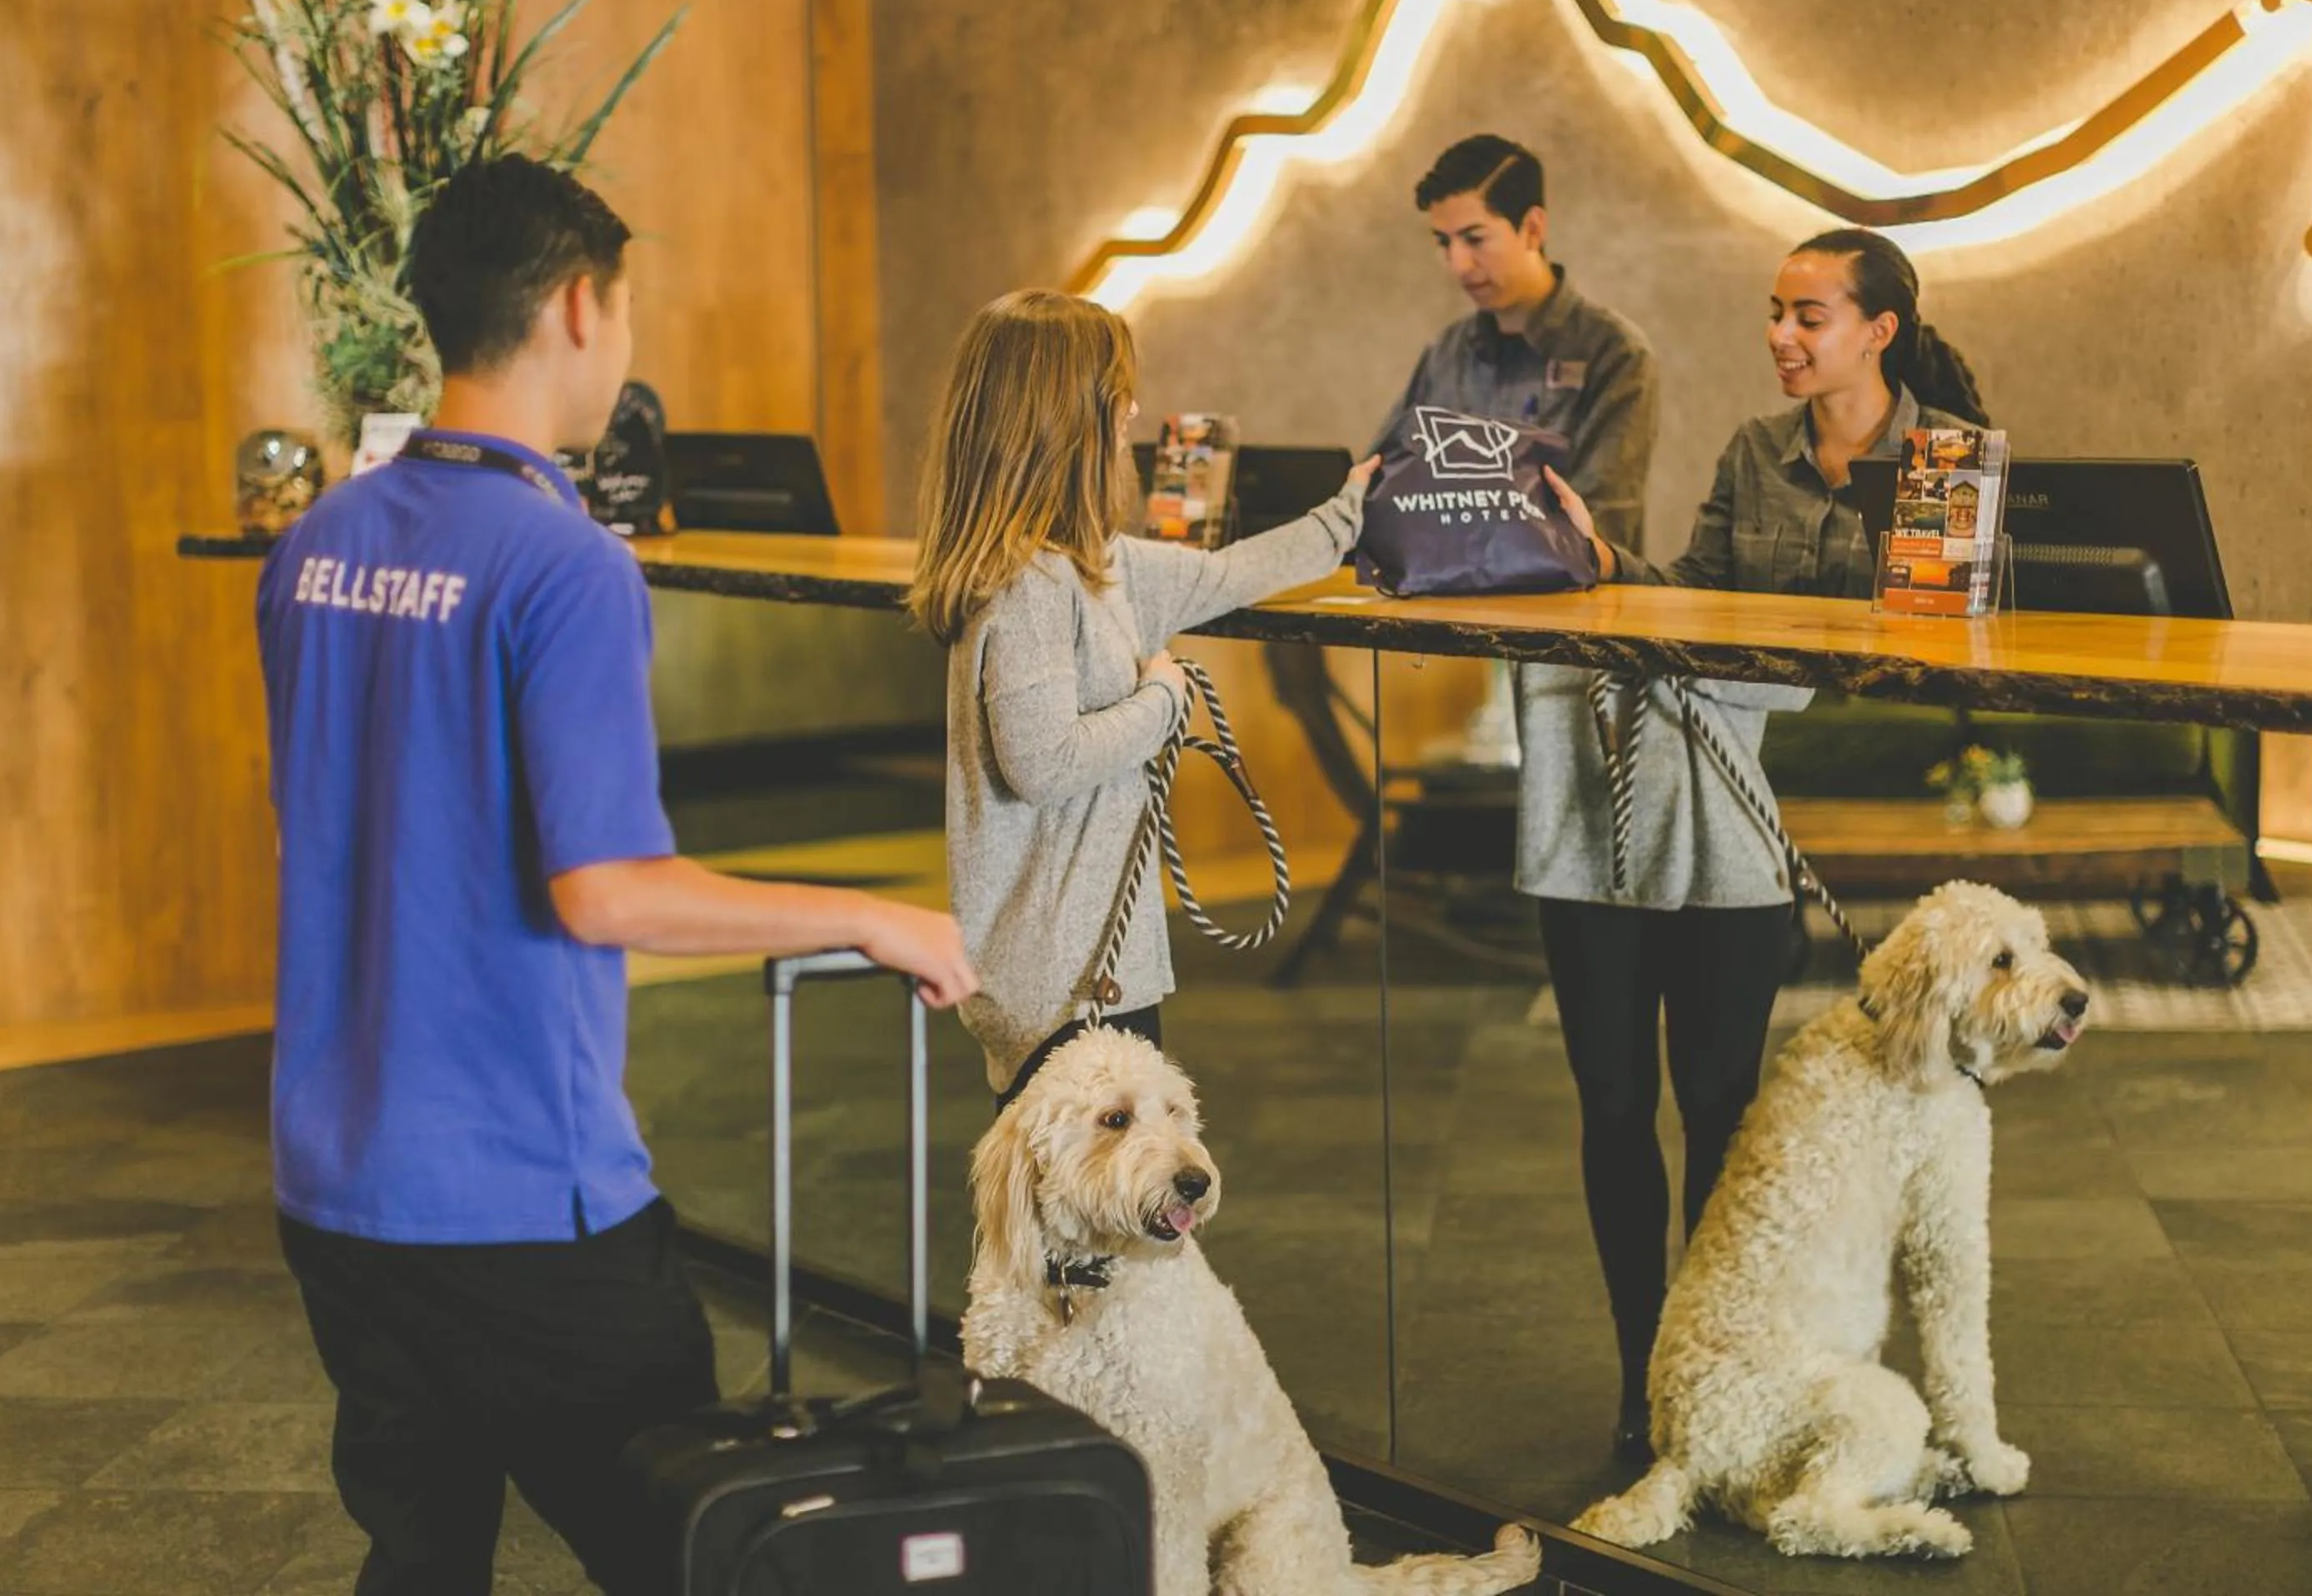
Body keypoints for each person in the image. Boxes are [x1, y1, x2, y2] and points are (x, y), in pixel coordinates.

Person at [254, 155, 976, 1596]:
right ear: (581, 305)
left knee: (423, 1550)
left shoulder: (317, 542)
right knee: (700, 1556)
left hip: (335, 1182)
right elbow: (606, 891)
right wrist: (873, 914)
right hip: (522, 1193)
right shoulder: (566, 564)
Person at [1530, 227, 1991, 1459]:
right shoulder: (1752, 451)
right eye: (1773, 314)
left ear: (1879, 330)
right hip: (1706, 796)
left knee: (1724, 1116)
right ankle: (1650, 1378)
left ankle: (1721, 1356)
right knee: (1621, 1107)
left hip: (1773, 821)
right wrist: (1599, 556)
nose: (1781, 337)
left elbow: (1938, 647)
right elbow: (1694, 596)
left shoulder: (1946, 464)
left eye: (1809, 316)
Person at [908, 289, 1375, 1104]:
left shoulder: (1101, 565)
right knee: (1094, 1220)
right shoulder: (1030, 584)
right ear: (1067, 421)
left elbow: (1230, 573)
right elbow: (1044, 762)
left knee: (1100, 1216)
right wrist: (1167, 698)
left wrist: (1351, 513)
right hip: (1064, 979)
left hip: (1095, 964)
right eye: (1115, 394)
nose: (1133, 408)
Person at [1370, 132, 1657, 550]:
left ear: (1532, 228)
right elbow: (1382, 483)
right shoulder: (1447, 353)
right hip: (1443, 602)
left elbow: (1602, 524)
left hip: (1564, 609)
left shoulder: (1614, 353)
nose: (1458, 264)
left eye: (1474, 239)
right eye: (1444, 243)